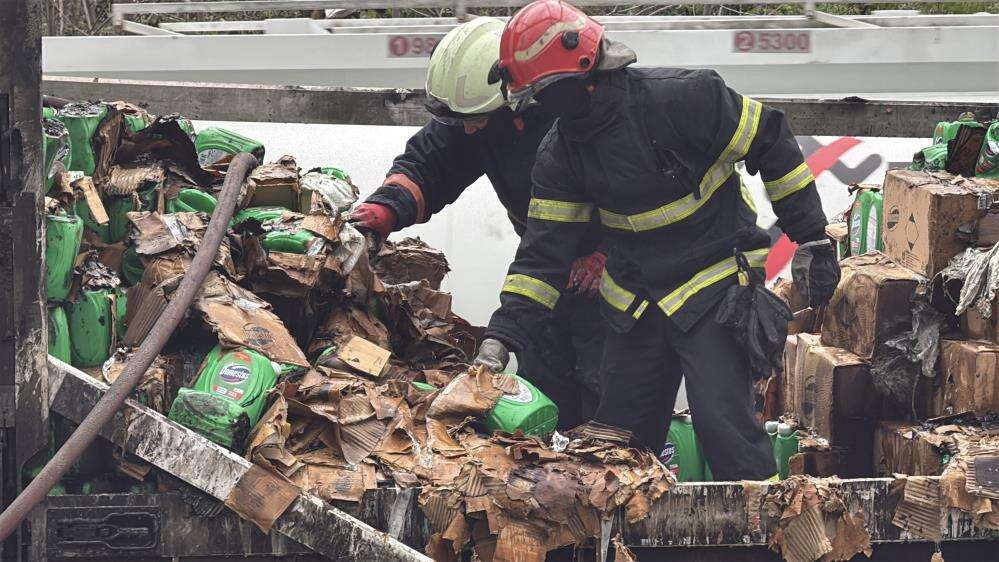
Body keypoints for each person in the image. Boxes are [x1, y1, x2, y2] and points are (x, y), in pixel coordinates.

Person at [473, 0, 840, 481]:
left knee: (723, 426)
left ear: (580, 76)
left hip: (713, 287)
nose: (537, 107)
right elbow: (543, 255)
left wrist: (811, 236)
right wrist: (501, 338)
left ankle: (765, 534)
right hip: (637, 303)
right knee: (617, 445)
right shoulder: (561, 154)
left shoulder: (685, 99)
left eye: (542, 93)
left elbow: (770, 138)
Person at [350, 17, 604, 430]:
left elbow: (644, 193)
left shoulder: (569, 115)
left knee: (610, 399)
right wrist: (384, 210)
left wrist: (608, 253)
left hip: (619, 274)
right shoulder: (477, 114)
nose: (469, 128)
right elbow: (432, 161)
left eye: (476, 119)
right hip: (544, 266)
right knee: (546, 384)